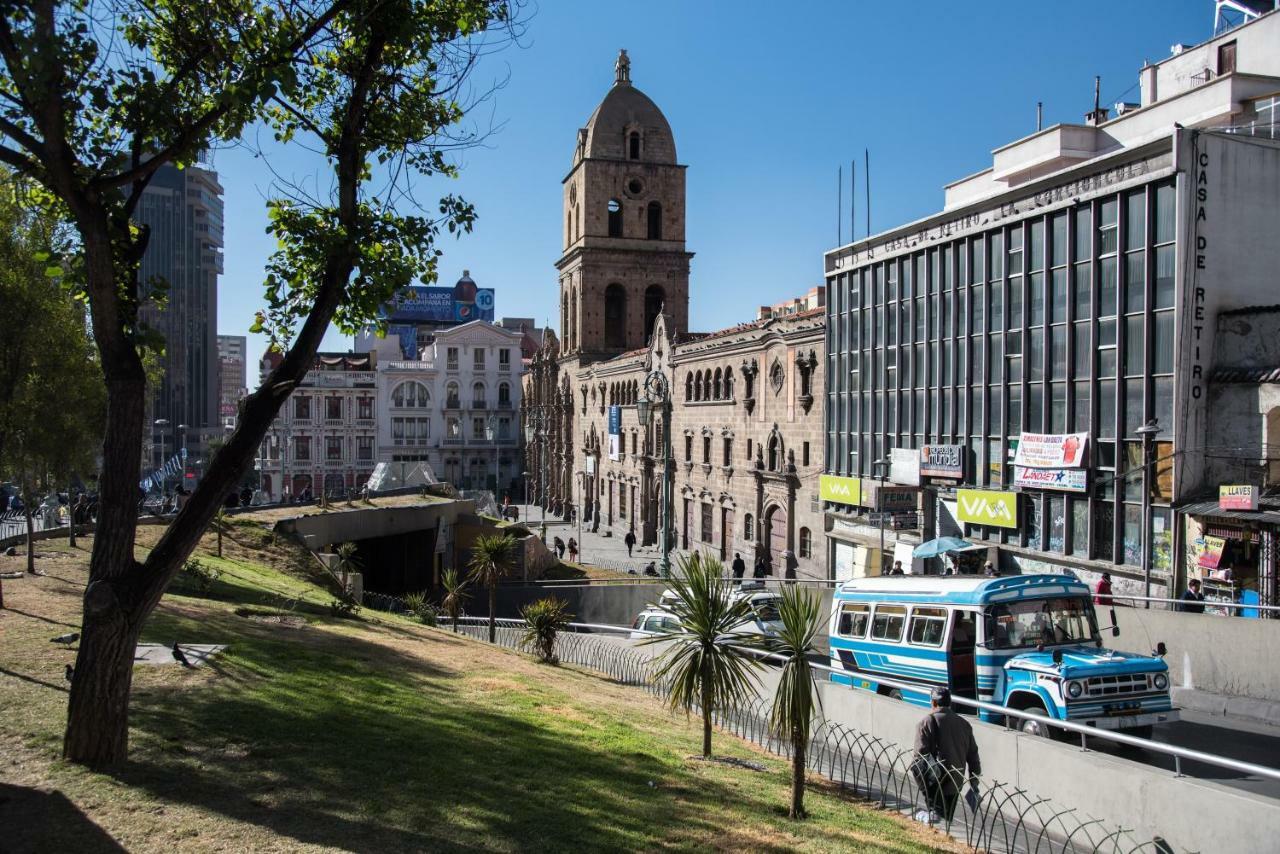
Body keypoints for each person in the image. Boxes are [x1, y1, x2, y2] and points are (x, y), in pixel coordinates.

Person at [912, 687, 981, 824]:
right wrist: (974, 782)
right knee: (945, 820)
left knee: (936, 820)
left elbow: (919, 757)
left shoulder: (926, 723)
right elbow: (973, 757)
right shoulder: (964, 724)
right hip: (955, 782)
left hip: (935, 782)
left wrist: (924, 785)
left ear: (934, 703)